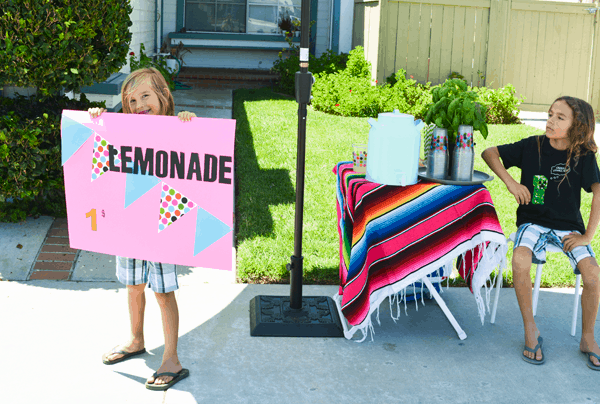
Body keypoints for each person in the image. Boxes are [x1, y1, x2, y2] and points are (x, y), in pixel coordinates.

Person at [89, 67, 196, 389]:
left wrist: (191, 125)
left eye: (145, 96)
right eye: (131, 100)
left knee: (163, 292)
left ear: (163, 95)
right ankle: (136, 339)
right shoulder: (122, 130)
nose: (138, 104)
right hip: (130, 222)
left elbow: (196, 157)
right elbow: (101, 153)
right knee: (133, 285)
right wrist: (96, 119)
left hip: (163, 222)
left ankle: (172, 359)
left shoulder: (178, 128)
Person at [482, 96, 600, 370]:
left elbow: (597, 193)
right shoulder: (532, 146)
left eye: (560, 117)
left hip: (569, 227)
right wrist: (511, 183)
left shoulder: (583, 156)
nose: (550, 120)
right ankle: (530, 329)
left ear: (577, 126)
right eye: (550, 114)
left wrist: (587, 236)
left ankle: (587, 338)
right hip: (532, 222)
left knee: (593, 275)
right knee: (520, 260)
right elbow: (490, 153)